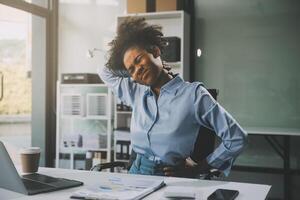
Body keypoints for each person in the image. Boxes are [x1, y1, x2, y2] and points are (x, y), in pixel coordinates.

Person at [99, 17, 247, 177]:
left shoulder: (194, 95)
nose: (138, 70)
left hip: (170, 177)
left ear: (155, 51)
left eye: (139, 59)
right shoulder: (135, 91)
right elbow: (103, 69)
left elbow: (237, 138)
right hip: (134, 175)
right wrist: (130, 67)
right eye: (131, 70)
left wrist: (200, 168)